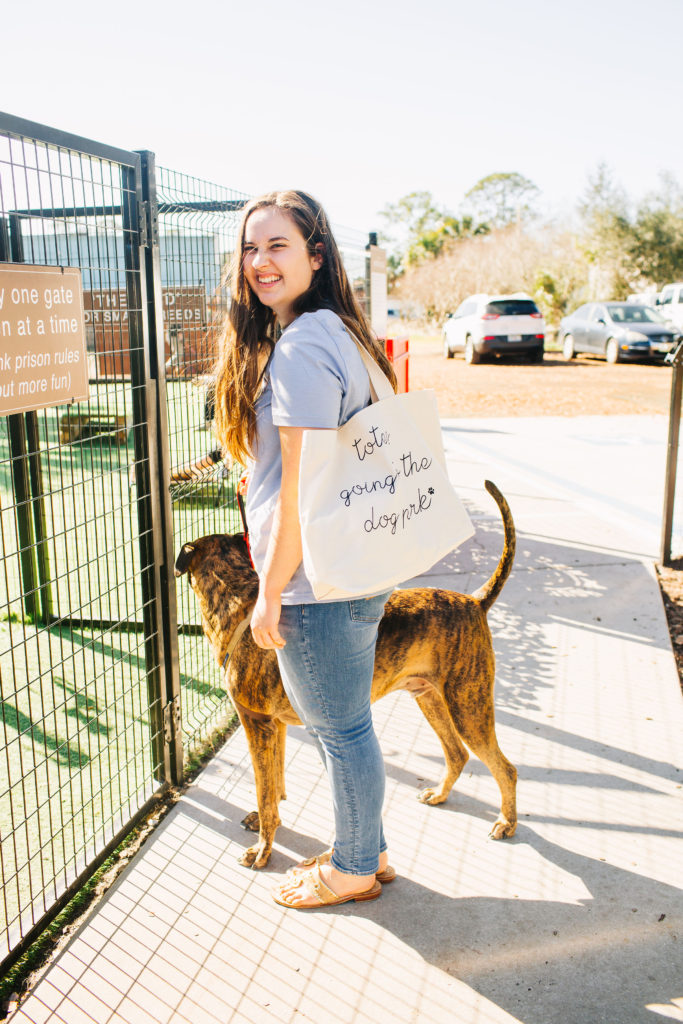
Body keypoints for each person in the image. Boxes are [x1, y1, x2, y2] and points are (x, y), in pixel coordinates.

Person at [214, 190, 397, 909]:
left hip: (317, 581)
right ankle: (367, 849)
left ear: (315, 256)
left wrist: (270, 589)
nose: (260, 262)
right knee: (345, 724)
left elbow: (304, 488)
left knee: (340, 729)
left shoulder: (302, 347)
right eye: (251, 248)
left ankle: (352, 868)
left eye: (278, 246)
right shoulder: (336, 333)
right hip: (353, 568)